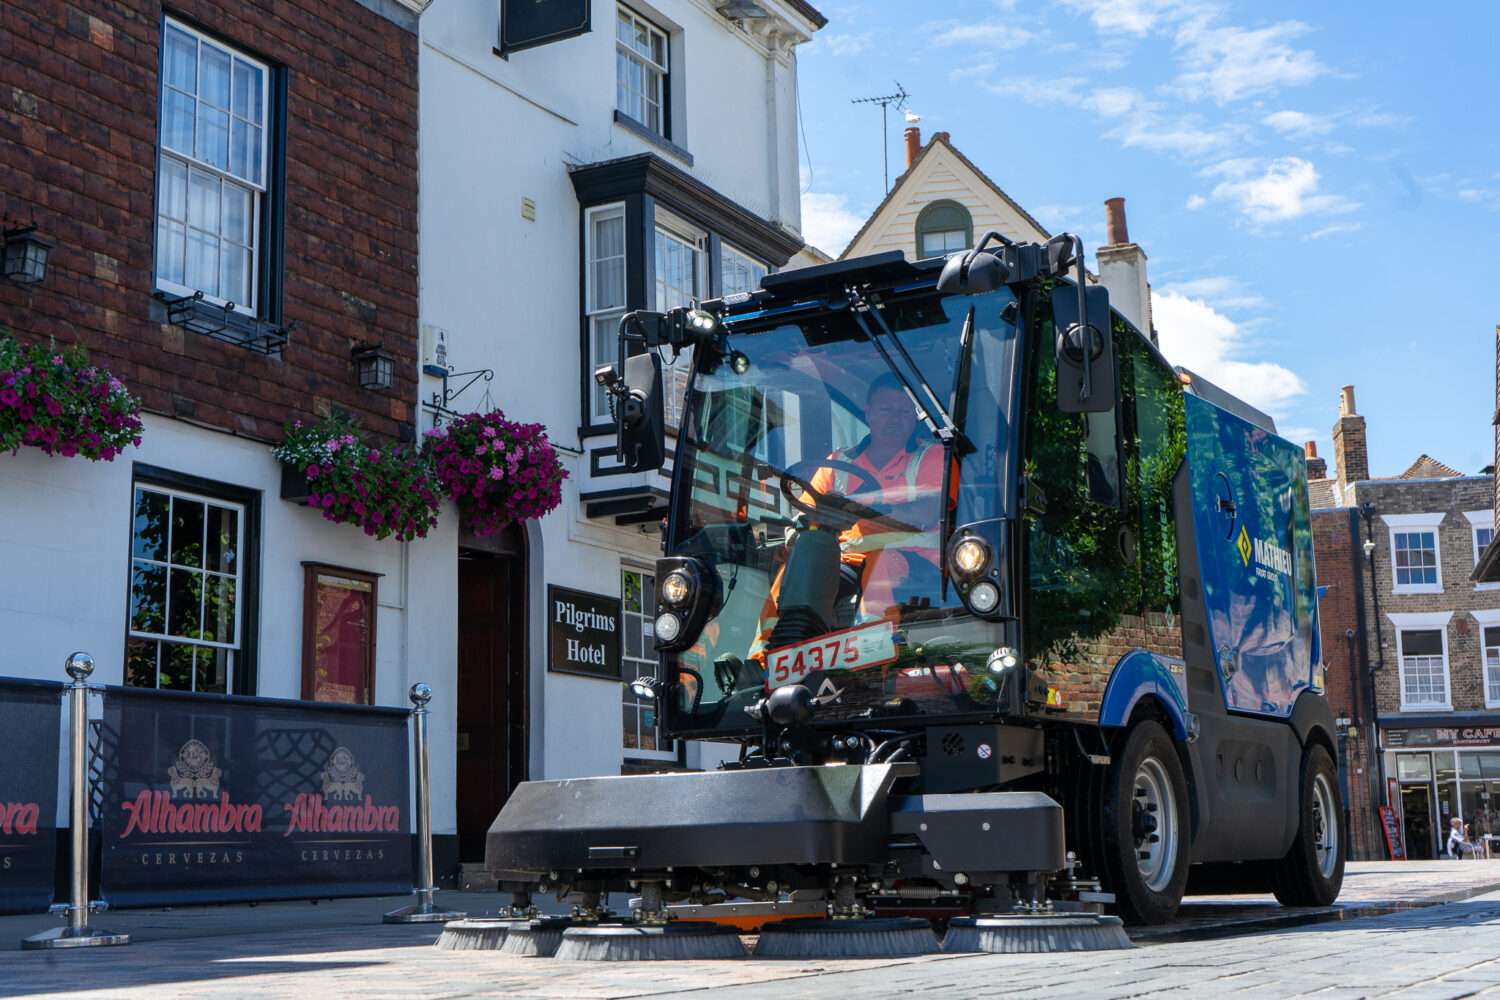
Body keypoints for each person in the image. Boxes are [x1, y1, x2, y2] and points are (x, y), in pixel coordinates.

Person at [808, 372, 946, 619]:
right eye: (886, 410)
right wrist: (795, 533)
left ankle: (871, 652)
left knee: (881, 564)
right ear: (868, 412)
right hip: (848, 561)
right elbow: (807, 513)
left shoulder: (932, 456)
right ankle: (767, 652)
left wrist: (860, 508)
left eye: (904, 411)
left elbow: (926, 514)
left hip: (916, 565)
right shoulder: (838, 463)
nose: (895, 418)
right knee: (798, 570)